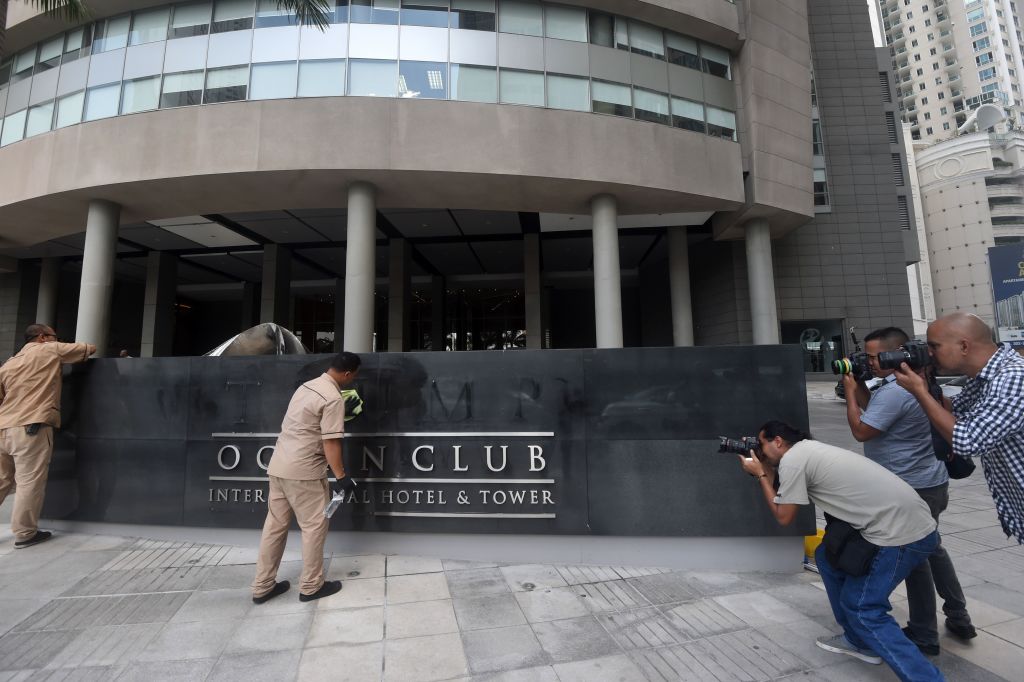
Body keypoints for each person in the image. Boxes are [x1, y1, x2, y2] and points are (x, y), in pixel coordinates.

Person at [739, 420, 943, 682]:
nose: (761, 451)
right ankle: (858, 641)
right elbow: (784, 494)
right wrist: (765, 469)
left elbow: (783, 516)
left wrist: (760, 474)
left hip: (900, 535)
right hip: (907, 521)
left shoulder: (793, 461)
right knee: (826, 556)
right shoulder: (808, 450)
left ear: (777, 441)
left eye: (762, 444)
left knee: (863, 608)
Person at [842, 327, 975, 651]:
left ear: (894, 354)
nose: (869, 362)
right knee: (932, 549)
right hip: (929, 482)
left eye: (875, 357)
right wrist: (859, 384)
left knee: (913, 560)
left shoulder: (896, 392)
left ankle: (924, 634)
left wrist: (848, 391)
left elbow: (862, 430)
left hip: (910, 488)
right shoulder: (912, 382)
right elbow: (876, 407)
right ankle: (958, 615)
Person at [894, 312, 1024, 545]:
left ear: (964, 345)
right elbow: (954, 410)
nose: (929, 353)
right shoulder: (984, 377)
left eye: (934, 346)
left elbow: (967, 440)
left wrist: (919, 392)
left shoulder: (1013, 377)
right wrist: (926, 384)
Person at [251, 351, 362, 604]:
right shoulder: (333, 398)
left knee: (274, 528)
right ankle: (312, 586)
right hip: (305, 472)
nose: (353, 380)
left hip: (278, 467)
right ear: (347, 374)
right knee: (313, 527)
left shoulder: (306, 387)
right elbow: (331, 443)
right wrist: (342, 477)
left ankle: (262, 586)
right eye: (354, 376)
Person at [0, 324, 95, 548]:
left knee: (2, 480)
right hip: (31, 427)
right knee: (29, 482)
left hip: (3, 427)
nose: (57, 339)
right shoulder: (49, 350)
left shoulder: (9, 363)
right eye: (55, 336)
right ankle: (24, 533)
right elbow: (88, 348)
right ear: (43, 337)